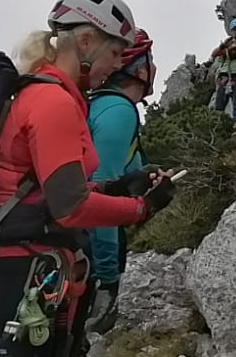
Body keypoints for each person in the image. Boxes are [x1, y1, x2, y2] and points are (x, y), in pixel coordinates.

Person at [0, 0, 177, 357]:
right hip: (14, 282)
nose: (118, 65)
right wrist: (141, 208)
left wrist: (117, 187)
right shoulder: (53, 101)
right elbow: (70, 205)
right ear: (86, 42)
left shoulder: (51, 94)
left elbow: (48, 190)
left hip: (14, 276)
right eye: (114, 53)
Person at [75, 29, 158, 345]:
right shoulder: (119, 111)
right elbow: (101, 198)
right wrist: (108, 279)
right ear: (141, 69)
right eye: (151, 61)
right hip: (91, 260)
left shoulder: (99, 104)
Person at [210, 19, 236, 129]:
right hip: (225, 80)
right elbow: (214, 54)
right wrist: (224, 47)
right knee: (219, 108)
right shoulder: (228, 45)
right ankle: (218, 129)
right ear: (232, 31)